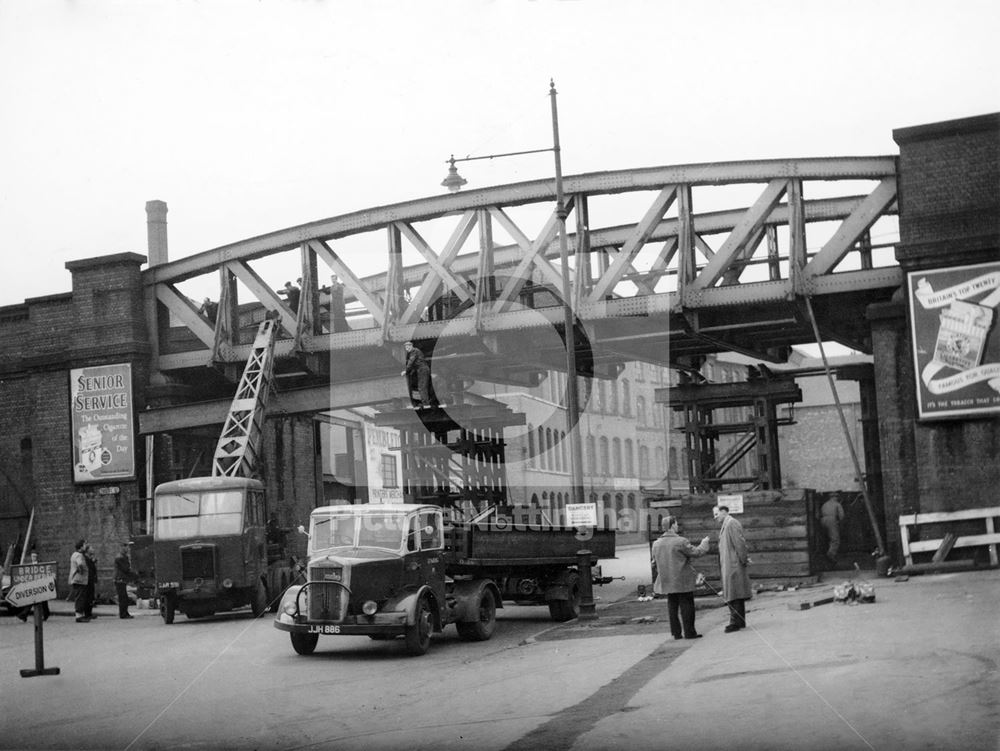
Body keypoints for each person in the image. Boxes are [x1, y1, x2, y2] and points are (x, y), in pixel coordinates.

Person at [651, 515, 710, 640]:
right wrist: (704, 544)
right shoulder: (681, 541)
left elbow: (654, 563)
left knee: (672, 606)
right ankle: (689, 633)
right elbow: (697, 552)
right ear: (672, 525)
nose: (677, 526)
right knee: (687, 605)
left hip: (666, 580)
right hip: (682, 580)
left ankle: (676, 633)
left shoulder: (656, 544)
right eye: (676, 524)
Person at [714, 505, 751, 632]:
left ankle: (735, 622)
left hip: (733, 564)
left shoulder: (731, 523)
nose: (715, 517)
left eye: (716, 514)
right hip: (731, 564)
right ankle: (739, 621)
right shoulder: (727, 524)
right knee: (735, 593)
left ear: (723, 512)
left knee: (733, 593)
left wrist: (744, 559)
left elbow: (740, 543)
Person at [16, 549, 50, 622]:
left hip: (40, 584)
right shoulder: (28, 564)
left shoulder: (40, 563)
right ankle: (24, 615)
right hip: (32, 585)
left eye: (35, 556)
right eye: (32, 556)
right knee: (32, 600)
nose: (34, 558)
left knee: (43, 600)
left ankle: (45, 614)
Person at [402, 341, 432, 408]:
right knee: (422, 387)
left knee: (422, 387)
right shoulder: (414, 351)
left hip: (422, 370)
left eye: (408, 347)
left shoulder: (414, 351)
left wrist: (406, 371)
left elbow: (411, 362)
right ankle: (426, 403)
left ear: (411, 346)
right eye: (406, 347)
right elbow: (414, 363)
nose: (407, 349)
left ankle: (426, 405)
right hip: (421, 369)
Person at [819, 493, 845, 565]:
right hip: (832, 520)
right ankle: (831, 554)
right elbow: (842, 516)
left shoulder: (825, 504)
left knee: (826, 538)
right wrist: (839, 522)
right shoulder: (837, 504)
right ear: (835, 497)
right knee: (835, 539)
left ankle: (825, 553)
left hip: (823, 520)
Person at [68, 539, 90, 623]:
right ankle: (79, 616)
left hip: (78, 580)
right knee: (80, 598)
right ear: (81, 547)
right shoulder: (78, 555)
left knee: (80, 597)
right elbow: (80, 564)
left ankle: (80, 615)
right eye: (84, 545)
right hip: (79, 580)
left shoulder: (75, 554)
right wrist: (81, 571)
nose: (86, 546)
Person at [113, 542, 136, 619]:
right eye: (126, 547)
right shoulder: (120, 557)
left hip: (121, 579)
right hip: (120, 579)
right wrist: (134, 575)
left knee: (124, 597)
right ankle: (123, 614)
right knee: (123, 597)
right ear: (122, 547)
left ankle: (125, 613)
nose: (127, 549)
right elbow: (125, 569)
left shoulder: (122, 557)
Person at [83, 543, 98, 619]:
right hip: (87, 580)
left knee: (91, 597)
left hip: (91, 580)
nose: (93, 549)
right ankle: (87, 613)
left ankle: (89, 613)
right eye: (91, 548)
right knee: (87, 597)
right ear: (87, 550)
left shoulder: (90, 558)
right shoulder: (85, 559)